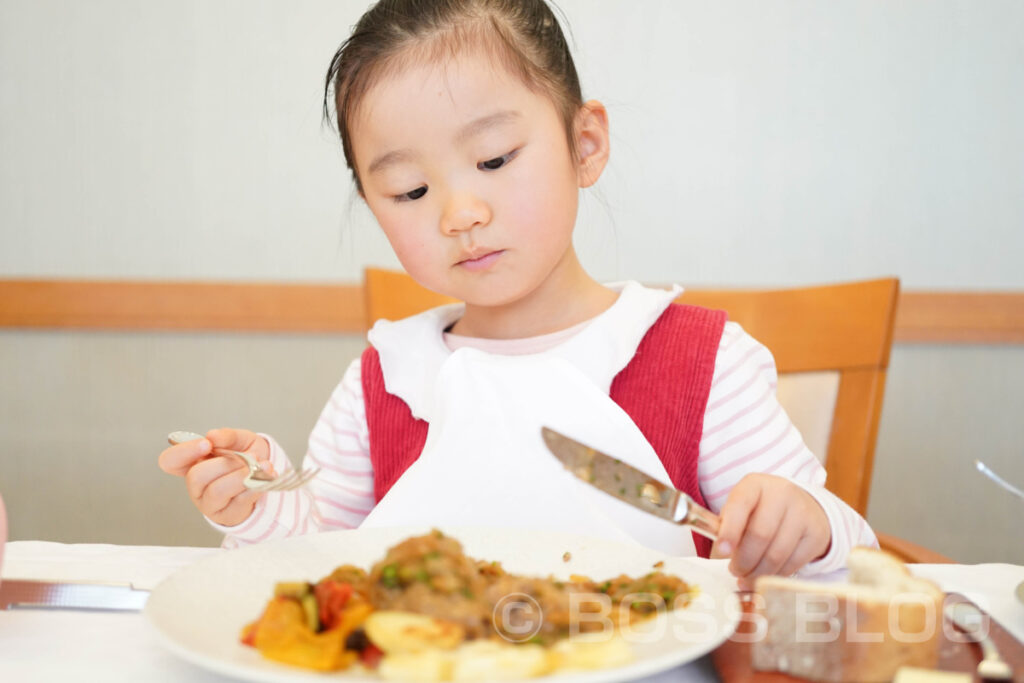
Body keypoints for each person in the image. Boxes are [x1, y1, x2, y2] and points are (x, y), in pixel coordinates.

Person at [159, 0, 876, 589]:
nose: (459, 213)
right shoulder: (384, 380)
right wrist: (258, 507)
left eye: (495, 159)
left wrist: (803, 523)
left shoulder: (699, 361)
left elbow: (854, 554)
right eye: (409, 189)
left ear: (585, 143)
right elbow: (324, 567)